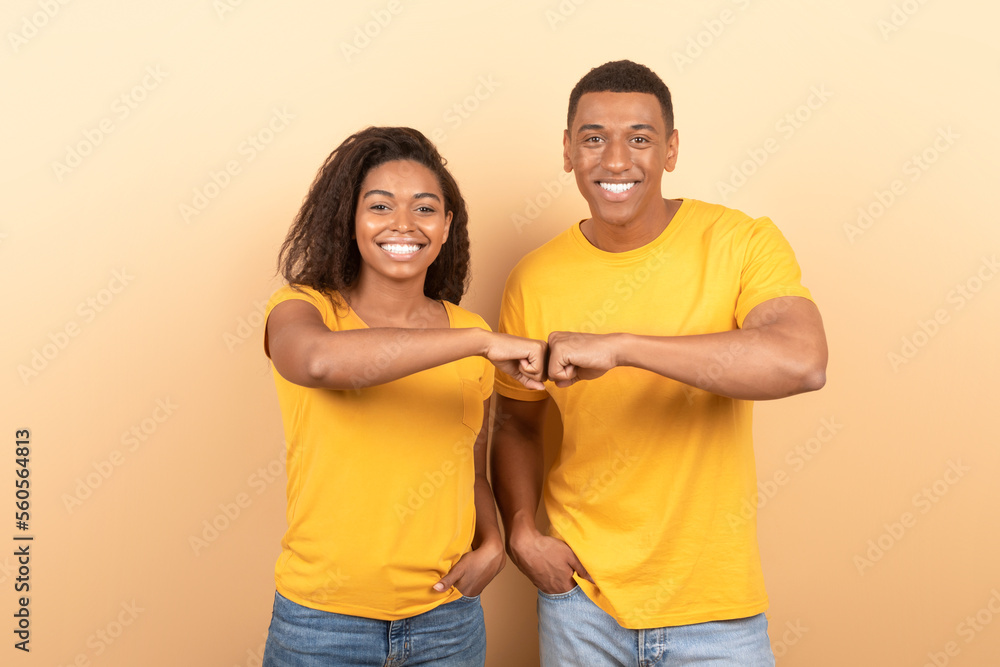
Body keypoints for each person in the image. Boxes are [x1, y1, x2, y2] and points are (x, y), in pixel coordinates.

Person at [491, 61, 829, 666]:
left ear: (671, 150)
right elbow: (516, 422)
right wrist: (521, 531)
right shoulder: (533, 278)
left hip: (715, 612)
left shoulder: (741, 241)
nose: (616, 160)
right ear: (568, 152)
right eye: (593, 138)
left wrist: (623, 347)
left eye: (640, 138)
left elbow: (801, 361)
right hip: (581, 606)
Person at [261, 126, 546, 666]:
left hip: (447, 623)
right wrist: (480, 343)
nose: (403, 224)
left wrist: (492, 543)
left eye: (424, 209)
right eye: (380, 206)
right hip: (322, 624)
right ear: (350, 221)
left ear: (445, 228)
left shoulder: (468, 329)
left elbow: (471, 468)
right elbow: (318, 362)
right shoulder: (303, 309)